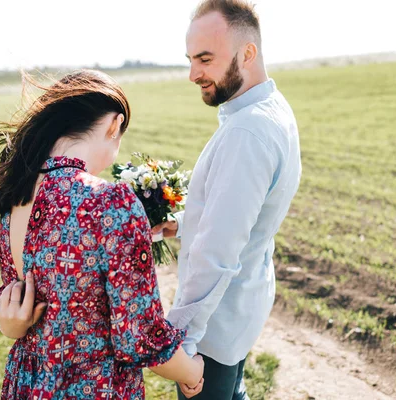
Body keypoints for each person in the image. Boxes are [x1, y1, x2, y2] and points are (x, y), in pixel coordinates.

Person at [0, 70, 204, 399]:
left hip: (28, 382)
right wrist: (192, 371)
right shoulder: (110, 201)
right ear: (114, 125)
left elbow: (16, 308)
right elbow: (140, 336)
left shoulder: (15, 198)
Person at [152, 1, 302, 398]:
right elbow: (240, 213)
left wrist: (181, 343)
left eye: (204, 59)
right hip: (239, 311)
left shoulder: (246, 134)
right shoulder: (272, 108)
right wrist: (181, 223)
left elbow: (217, 254)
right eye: (190, 59)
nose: (192, 74)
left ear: (247, 53)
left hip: (213, 332)